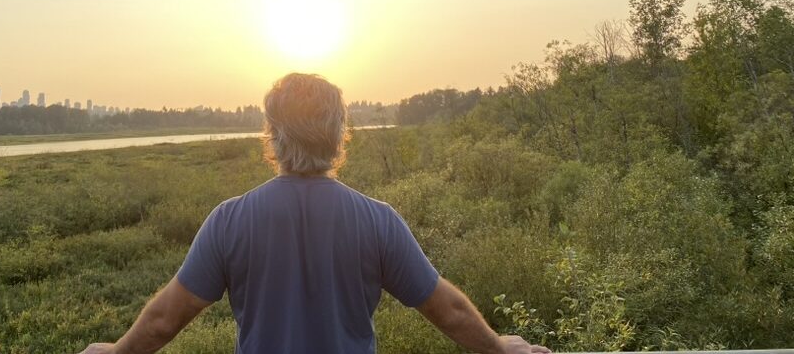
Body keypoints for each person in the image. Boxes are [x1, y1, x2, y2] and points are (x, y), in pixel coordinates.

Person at [79, 73, 551, 354]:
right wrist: (498, 348)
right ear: (338, 134)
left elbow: (164, 320)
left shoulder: (230, 220)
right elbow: (445, 309)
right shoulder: (377, 220)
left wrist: (118, 351)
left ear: (272, 135)